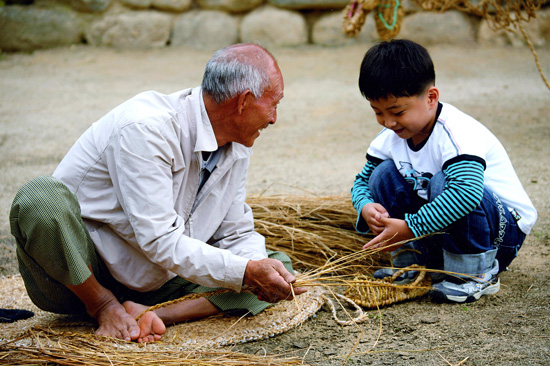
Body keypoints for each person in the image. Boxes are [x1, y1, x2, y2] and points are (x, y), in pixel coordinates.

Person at [9, 43, 306, 343]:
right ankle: (102, 305)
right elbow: (159, 240)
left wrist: (258, 270)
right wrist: (245, 273)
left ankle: (155, 313)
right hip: (82, 274)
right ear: (243, 102)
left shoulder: (236, 146)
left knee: (278, 270)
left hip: (162, 280)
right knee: (40, 198)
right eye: (274, 104)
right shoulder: (146, 127)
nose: (274, 119)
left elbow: (236, 233)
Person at [350, 39, 537, 303]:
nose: (388, 122)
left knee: (446, 182)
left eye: (397, 111)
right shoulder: (390, 136)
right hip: (443, 232)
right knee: (381, 175)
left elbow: (467, 194)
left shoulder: (456, 133)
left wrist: (411, 227)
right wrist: (366, 204)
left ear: (431, 97)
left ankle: (474, 274)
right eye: (377, 112)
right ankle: (410, 264)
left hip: (501, 234)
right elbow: (362, 182)